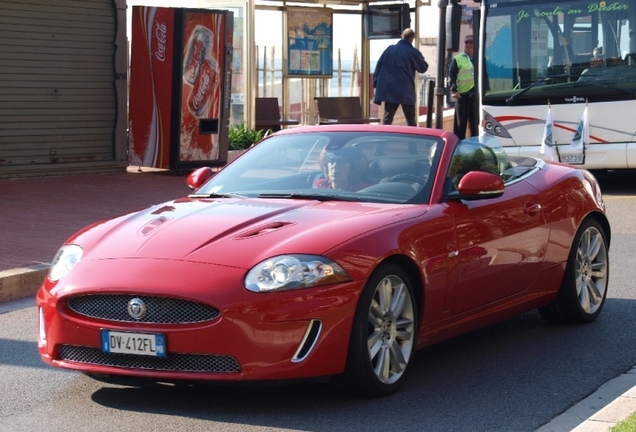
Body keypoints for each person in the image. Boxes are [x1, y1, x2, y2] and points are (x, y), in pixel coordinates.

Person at [372, 28, 429, 127]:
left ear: (402, 36)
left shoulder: (389, 49)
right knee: (410, 120)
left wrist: (376, 83)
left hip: (390, 91)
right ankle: (412, 142)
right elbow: (423, 68)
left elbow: (378, 67)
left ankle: (383, 140)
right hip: (405, 91)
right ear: (412, 38)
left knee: (387, 120)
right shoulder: (412, 52)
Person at [449, 35, 478, 139]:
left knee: (476, 126)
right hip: (462, 96)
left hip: (476, 97)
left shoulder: (479, 57)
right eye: (466, 42)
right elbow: (452, 76)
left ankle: (476, 148)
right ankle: (458, 149)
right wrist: (454, 90)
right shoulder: (457, 59)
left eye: (471, 42)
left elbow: (485, 75)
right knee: (460, 126)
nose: (468, 44)